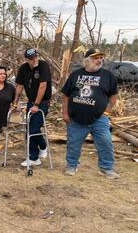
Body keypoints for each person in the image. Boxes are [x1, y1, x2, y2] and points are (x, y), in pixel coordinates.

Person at [61, 48, 120, 179]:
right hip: (76, 119)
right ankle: (71, 165)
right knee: (73, 144)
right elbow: (65, 94)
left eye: (100, 58)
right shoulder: (76, 75)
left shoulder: (107, 76)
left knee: (106, 143)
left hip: (99, 119)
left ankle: (106, 168)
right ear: (87, 61)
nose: (99, 60)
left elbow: (114, 94)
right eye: (95, 58)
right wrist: (65, 113)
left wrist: (107, 110)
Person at [13, 48, 52, 167]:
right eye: (30, 59)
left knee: (34, 129)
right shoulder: (23, 68)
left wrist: (36, 104)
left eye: (35, 57)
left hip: (42, 102)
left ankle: (43, 146)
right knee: (28, 130)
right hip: (31, 102)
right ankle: (34, 157)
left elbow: (43, 85)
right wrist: (15, 102)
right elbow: (19, 86)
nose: (33, 60)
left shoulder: (43, 66)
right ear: (26, 59)